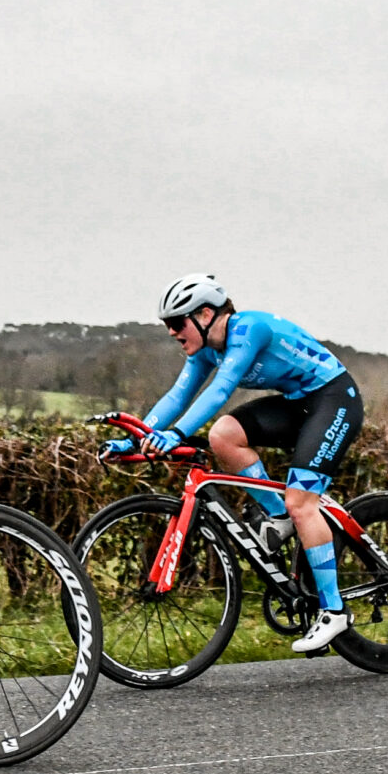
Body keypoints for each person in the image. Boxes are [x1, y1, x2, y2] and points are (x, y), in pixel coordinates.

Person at [114, 273, 365, 653]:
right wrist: (137, 437)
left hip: (334, 399)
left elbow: (220, 389)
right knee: (224, 435)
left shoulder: (249, 329)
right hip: (297, 404)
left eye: (177, 322)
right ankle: (278, 516)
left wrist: (177, 434)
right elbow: (178, 395)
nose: (171, 332)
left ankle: (334, 610)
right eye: (167, 324)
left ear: (205, 314)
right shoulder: (205, 351)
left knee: (302, 502)